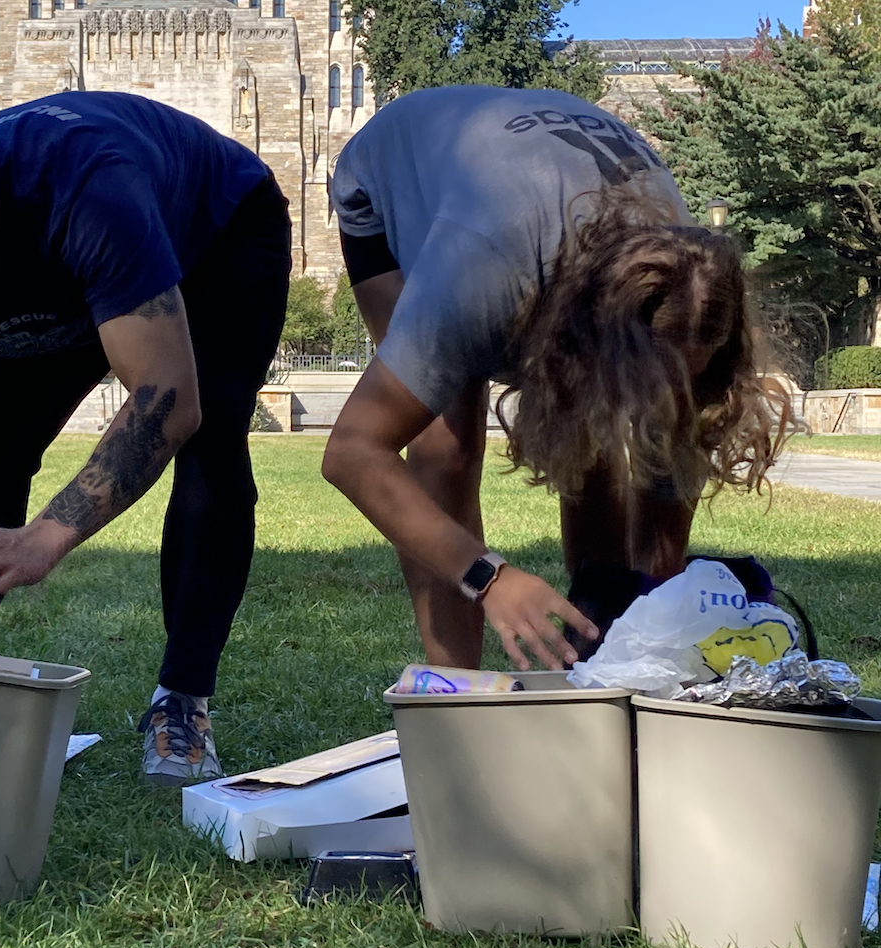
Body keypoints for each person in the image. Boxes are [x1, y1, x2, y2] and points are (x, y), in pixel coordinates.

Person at [0, 93, 291, 784]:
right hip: (54, 272)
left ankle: (182, 700)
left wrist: (43, 537)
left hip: (218, 233)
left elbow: (168, 400)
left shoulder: (88, 188)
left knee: (211, 441)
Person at [321, 85, 794, 672]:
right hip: (397, 186)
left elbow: (666, 478)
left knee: (605, 435)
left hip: (533, 188)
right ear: (595, 329)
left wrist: (657, 615)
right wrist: (487, 576)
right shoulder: (480, 280)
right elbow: (351, 453)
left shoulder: (689, 276)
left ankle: (590, 651)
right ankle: (459, 695)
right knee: (445, 443)